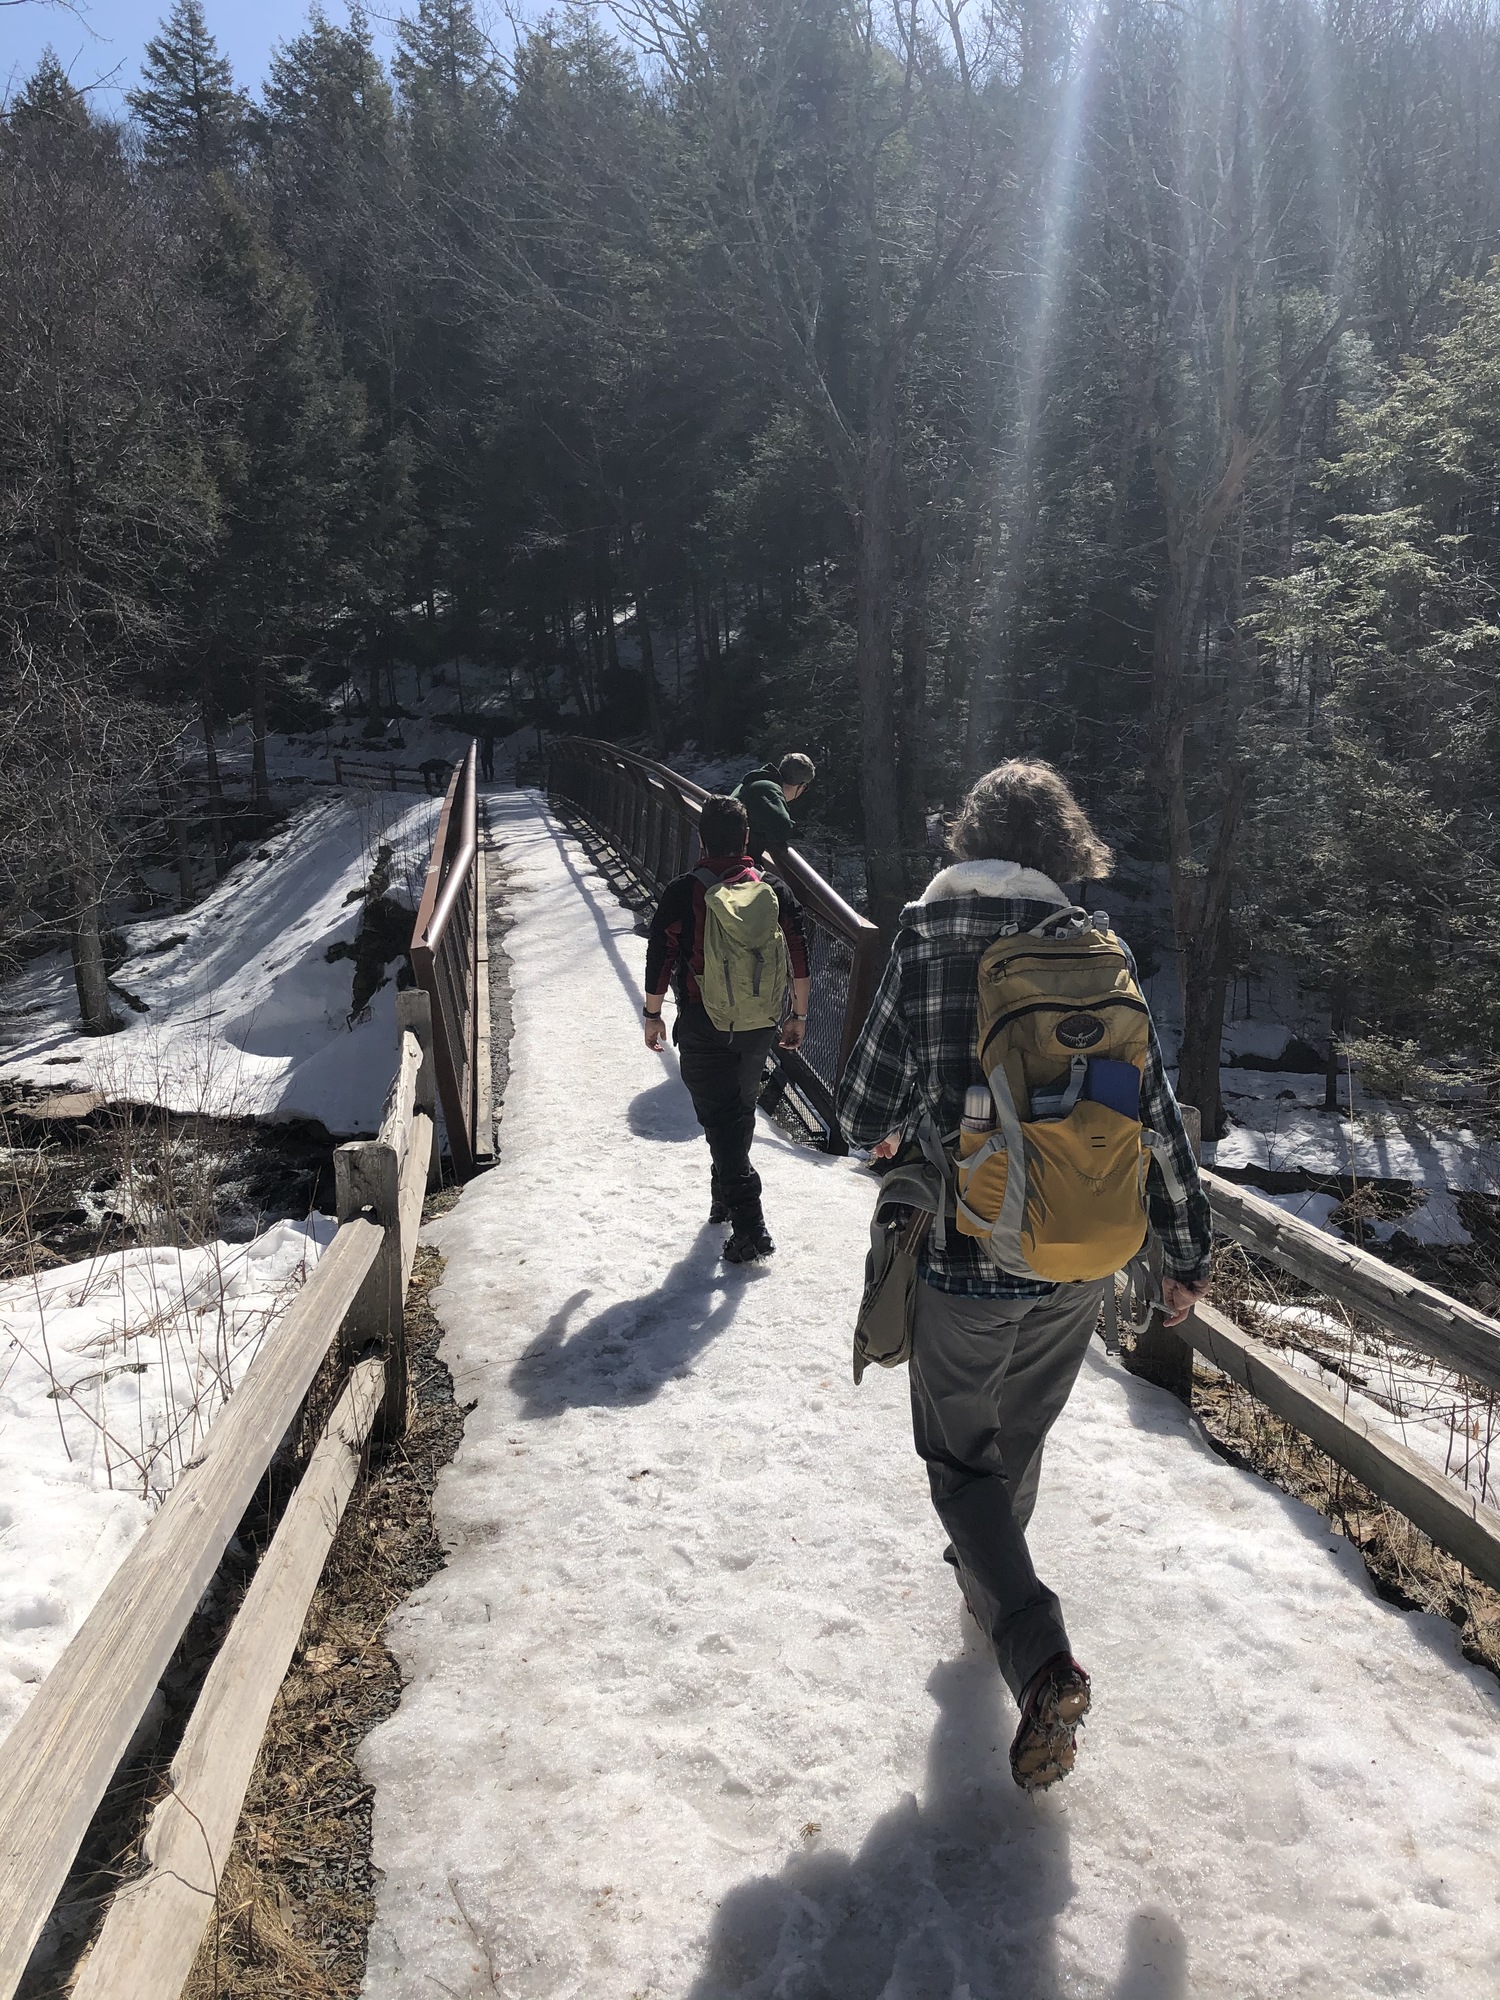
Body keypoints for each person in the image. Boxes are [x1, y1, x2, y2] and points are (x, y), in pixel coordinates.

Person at [836, 759, 1211, 1792]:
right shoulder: (1099, 948)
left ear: (970, 836)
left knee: (959, 1461)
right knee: (1017, 1444)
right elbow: (1156, 1117)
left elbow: (861, 1105)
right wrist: (1184, 1251)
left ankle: (1037, 1648)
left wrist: (907, 1128)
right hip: (1080, 1258)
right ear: (1064, 850)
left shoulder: (923, 934)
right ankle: (991, 1594)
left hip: (964, 1253)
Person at [643, 794, 812, 1264]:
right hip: (760, 1023)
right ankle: (722, 1198)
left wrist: (652, 1015)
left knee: (720, 1121)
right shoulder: (773, 887)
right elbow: (798, 951)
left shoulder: (684, 890)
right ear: (746, 839)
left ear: (701, 838)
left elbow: (661, 956)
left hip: (704, 1022)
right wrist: (798, 1015)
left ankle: (751, 1229)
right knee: (736, 1111)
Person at [732, 753, 815, 873]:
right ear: (801, 786)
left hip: (722, 854)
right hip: (733, 866)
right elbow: (783, 829)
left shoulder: (757, 781)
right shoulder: (768, 789)